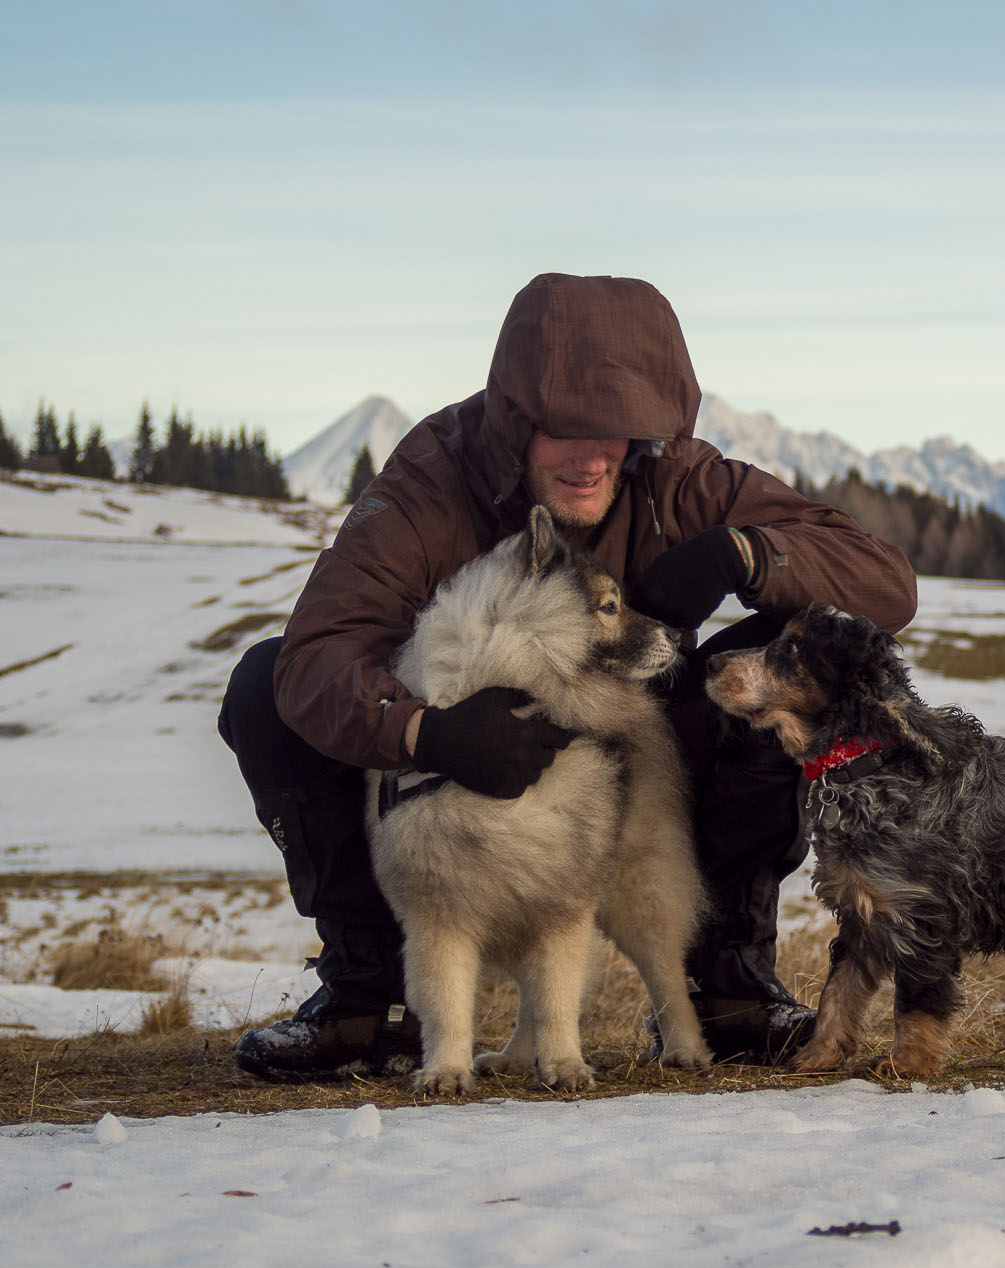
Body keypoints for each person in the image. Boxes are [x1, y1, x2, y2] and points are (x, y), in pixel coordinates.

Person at [218, 273, 917, 1080]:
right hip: (442, 786)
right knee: (263, 687)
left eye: (617, 433)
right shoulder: (431, 482)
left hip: (634, 759)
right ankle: (370, 997)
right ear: (516, 418)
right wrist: (424, 731)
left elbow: (887, 584)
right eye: (565, 431)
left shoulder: (677, 477)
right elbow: (318, 657)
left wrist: (746, 554)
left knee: (773, 667)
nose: (592, 459)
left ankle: (728, 987)